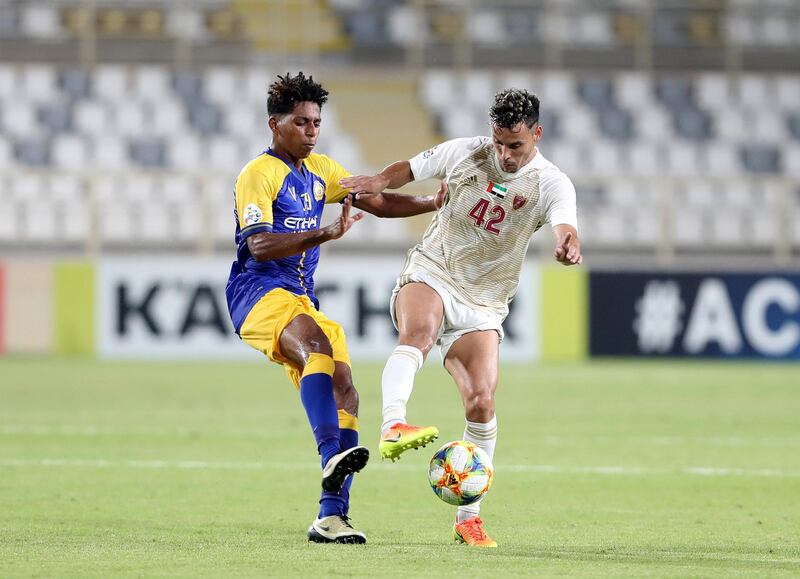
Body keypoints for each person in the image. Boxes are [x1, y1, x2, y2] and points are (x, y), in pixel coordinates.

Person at [340, 88, 582, 548]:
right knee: (419, 333)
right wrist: (379, 180)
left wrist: (567, 243)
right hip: (433, 268)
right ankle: (393, 424)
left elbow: (564, 223)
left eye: (516, 146)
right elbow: (409, 169)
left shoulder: (552, 183)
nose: (505, 155)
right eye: (499, 143)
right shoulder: (465, 151)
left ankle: (468, 519)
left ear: (537, 133)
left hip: (484, 303)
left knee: (481, 403)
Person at [224, 72, 443, 544]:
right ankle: (330, 455)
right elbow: (260, 245)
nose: (311, 130)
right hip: (257, 293)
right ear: (274, 124)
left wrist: (432, 201)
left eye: (316, 122)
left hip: (301, 298)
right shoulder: (257, 175)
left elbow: (376, 201)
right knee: (317, 348)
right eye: (301, 122)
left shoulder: (321, 170)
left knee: (347, 391)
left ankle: (332, 515)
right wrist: (323, 233)